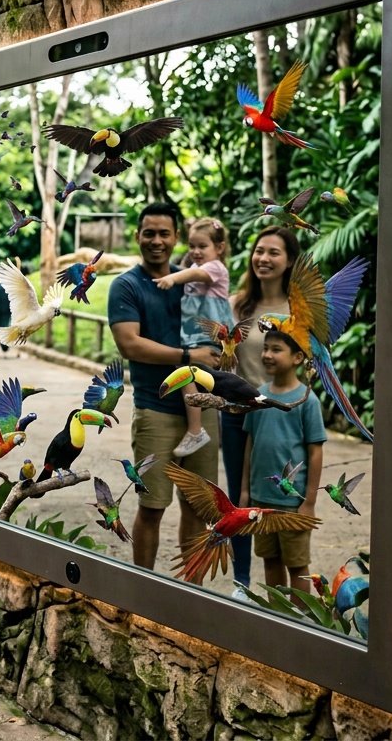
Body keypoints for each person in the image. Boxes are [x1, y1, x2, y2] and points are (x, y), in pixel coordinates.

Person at [107, 203, 220, 573]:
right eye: (149, 233)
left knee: (198, 507)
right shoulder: (126, 286)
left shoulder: (190, 278)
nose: (157, 241)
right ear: (138, 236)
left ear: (176, 238)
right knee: (152, 505)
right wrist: (189, 354)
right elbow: (131, 344)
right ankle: (144, 589)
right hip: (156, 410)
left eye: (164, 233)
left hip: (204, 408)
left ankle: (192, 595)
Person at [223, 226, 301, 598]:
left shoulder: (300, 311)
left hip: (280, 420)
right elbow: (223, 360)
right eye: (259, 251)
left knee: (281, 496)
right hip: (237, 415)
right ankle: (241, 581)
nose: (264, 259)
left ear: (289, 262)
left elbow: (309, 368)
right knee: (239, 500)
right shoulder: (237, 305)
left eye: (274, 253)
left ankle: (287, 590)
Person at [240, 329, 325, 590]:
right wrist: (245, 491)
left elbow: (315, 452)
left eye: (276, 349)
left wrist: (309, 502)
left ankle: (298, 620)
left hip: (292, 502)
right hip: (261, 500)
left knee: (297, 565)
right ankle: (276, 617)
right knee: (270, 560)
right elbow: (250, 444)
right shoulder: (258, 395)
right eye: (265, 348)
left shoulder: (307, 401)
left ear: (298, 357)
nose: (267, 354)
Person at [155, 217, 234, 458]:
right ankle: (197, 426)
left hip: (211, 330)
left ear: (219, 249)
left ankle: (196, 429)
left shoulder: (215, 268)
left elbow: (194, 276)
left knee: (186, 371)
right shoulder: (195, 267)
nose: (196, 251)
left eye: (202, 246)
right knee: (187, 371)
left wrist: (172, 278)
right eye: (192, 246)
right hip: (196, 331)